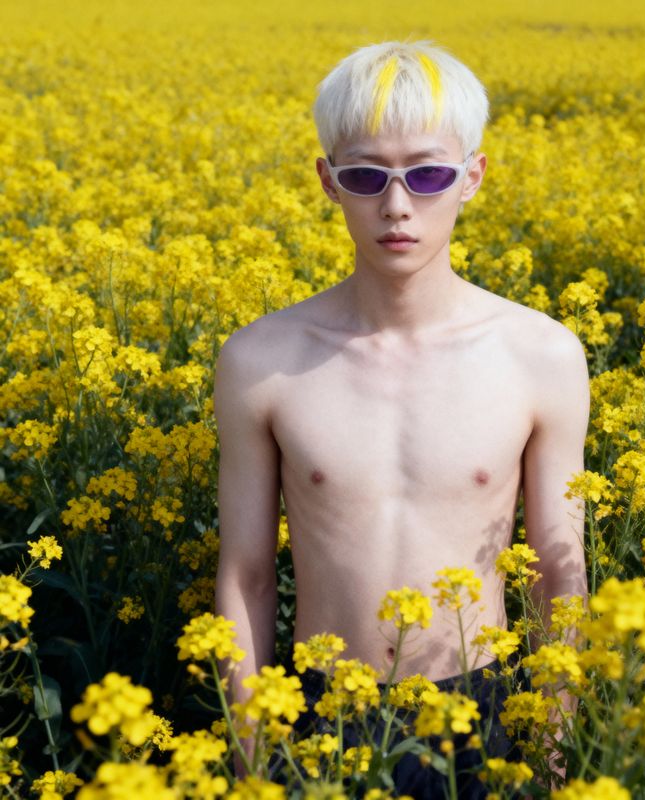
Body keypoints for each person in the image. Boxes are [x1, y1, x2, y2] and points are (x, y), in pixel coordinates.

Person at [213, 40, 590, 794]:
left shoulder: (541, 355)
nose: (396, 205)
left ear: (472, 177)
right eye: (365, 176)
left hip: (486, 713)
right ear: (328, 181)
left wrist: (551, 756)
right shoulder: (260, 360)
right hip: (319, 714)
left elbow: (558, 571)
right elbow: (245, 576)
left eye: (427, 174)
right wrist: (251, 760)